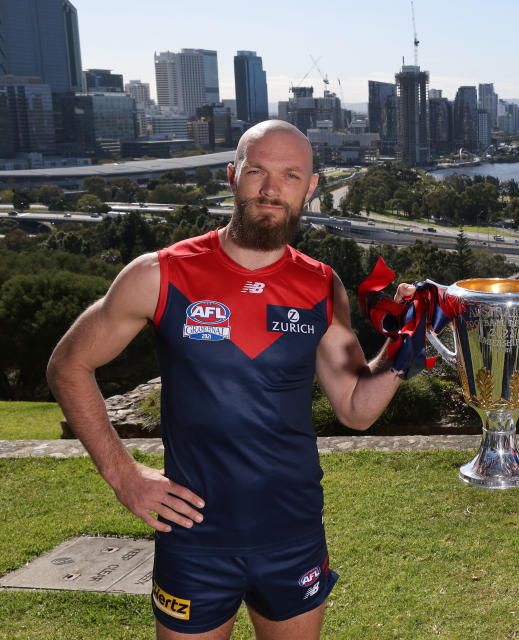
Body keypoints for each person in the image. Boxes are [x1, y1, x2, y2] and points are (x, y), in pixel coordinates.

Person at [47, 120, 410, 639]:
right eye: (257, 170)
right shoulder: (159, 274)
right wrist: (124, 476)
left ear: (309, 188)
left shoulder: (321, 285)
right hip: (194, 538)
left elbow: (355, 408)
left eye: (289, 175)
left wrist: (403, 353)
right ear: (232, 175)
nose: (270, 188)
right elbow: (68, 365)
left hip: (293, 533)